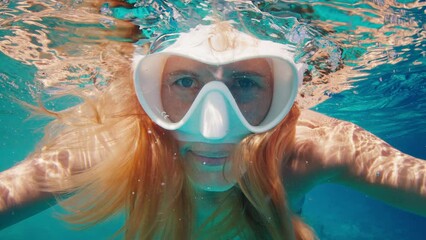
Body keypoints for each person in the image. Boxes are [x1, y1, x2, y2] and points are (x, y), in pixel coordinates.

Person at [0, 20, 425, 240]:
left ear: (284, 99)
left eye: (245, 82)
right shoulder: (114, 146)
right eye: (185, 82)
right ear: (148, 95)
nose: (215, 125)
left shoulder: (312, 147)